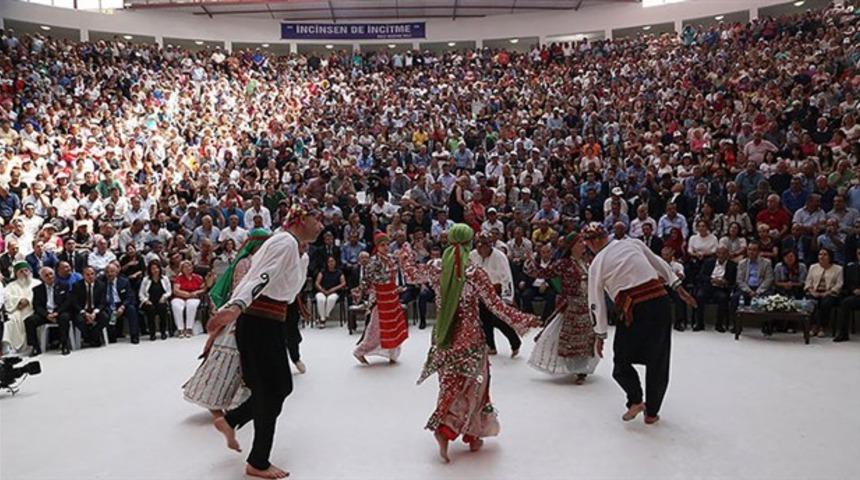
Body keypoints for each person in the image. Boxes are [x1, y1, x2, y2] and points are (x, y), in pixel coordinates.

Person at [398, 224, 540, 463]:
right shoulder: (474, 274)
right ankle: (473, 435)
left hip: (444, 338)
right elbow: (497, 308)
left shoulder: (436, 269)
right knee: (476, 387)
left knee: (450, 387)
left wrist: (405, 249)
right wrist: (525, 319)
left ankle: (445, 431)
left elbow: (411, 274)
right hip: (471, 340)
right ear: (469, 245)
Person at [203, 201, 322, 479]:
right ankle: (257, 459)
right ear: (300, 219)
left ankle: (231, 420)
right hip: (259, 321)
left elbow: (286, 290)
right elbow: (260, 276)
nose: (321, 225)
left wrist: (237, 307)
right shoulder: (285, 242)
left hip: (265, 322)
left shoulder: (291, 246)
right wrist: (236, 306)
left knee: (275, 389)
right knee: (274, 390)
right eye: (317, 219)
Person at [584, 223, 696, 425]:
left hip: (635, 308)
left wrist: (599, 335)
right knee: (655, 360)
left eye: (589, 243)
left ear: (595, 241)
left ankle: (640, 403)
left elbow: (595, 302)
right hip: (657, 303)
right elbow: (659, 263)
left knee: (624, 361)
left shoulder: (598, 263)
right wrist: (677, 286)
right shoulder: (633, 243)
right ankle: (645, 407)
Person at [184, 228, 271, 415]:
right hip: (241, 313)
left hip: (255, 314)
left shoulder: (260, 262)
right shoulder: (244, 263)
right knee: (232, 355)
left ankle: (241, 399)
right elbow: (241, 290)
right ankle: (215, 398)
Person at [524, 231, 598, 383]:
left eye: (583, 242)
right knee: (573, 339)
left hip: (586, 306)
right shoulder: (563, 264)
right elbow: (542, 273)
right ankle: (576, 369)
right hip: (571, 306)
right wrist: (531, 262)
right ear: (571, 246)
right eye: (579, 242)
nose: (583, 245)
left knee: (586, 339)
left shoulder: (586, 261)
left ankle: (582, 370)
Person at [352, 232, 409, 364]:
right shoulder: (372, 262)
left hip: (392, 297)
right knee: (375, 328)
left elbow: (399, 276)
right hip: (379, 298)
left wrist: (398, 286)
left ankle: (392, 355)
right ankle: (360, 351)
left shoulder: (392, 259)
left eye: (387, 244)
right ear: (377, 246)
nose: (386, 247)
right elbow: (367, 280)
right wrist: (359, 290)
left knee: (393, 327)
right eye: (382, 245)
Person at [469, 233, 519, 356]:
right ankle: (490, 345)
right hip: (480, 291)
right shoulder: (472, 255)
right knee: (484, 320)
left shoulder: (500, 257)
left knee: (498, 320)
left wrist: (507, 298)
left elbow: (506, 278)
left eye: (484, 246)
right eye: (479, 247)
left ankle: (515, 342)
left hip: (497, 291)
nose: (481, 250)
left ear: (489, 246)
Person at [24, 266, 72, 356]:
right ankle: (35, 347)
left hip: (59, 312)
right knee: (29, 321)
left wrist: (57, 313)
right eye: (46, 275)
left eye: (51, 274)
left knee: (65, 318)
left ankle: (64, 345)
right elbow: (37, 306)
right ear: (42, 278)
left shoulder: (63, 286)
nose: (50, 277)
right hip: (45, 314)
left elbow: (67, 302)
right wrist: (47, 315)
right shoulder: (37, 289)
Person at [693, 245, 737, 332]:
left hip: (721, 288)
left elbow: (733, 281)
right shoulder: (709, 262)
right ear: (716, 254)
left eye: (724, 254)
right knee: (699, 296)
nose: (721, 256)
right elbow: (700, 276)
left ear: (727, 255)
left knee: (723, 298)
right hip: (708, 286)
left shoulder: (732, 265)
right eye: (719, 253)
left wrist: (725, 282)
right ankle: (699, 323)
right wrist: (712, 280)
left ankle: (719, 324)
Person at [804, 249, 843, 338]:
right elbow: (808, 282)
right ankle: (813, 326)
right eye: (820, 254)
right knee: (811, 302)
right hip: (815, 291)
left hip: (830, 293)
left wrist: (828, 292)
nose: (822, 256)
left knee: (826, 303)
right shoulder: (813, 267)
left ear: (830, 257)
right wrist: (812, 291)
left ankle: (822, 327)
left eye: (825, 254)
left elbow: (839, 284)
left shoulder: (838, 269)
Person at [2, 262, 39, 353]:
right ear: (16, 274)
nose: (24, 273)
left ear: (29, 271)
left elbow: (40, 296)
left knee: (29, 319)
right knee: (10, 321)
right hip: (17, 310)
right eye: (21, 271)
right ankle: (11, 347)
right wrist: (18, 301)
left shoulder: (37, 283)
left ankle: (31, 346)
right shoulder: (11, 286)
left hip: (32, 309)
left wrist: (28, 301)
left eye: (26, 270)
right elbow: (6, 297)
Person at [101, 262, 141, 344]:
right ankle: (112, 335)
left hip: (122, 304)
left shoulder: (124, 281)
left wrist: (122, 307)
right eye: (107, 272)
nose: (109, 274)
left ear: (116, 272)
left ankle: (134, 336)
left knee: (132, 309)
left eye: (112, 271)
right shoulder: (101, 282)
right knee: (108, 313)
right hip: (108, 305)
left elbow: (129, 296)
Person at [72, 266, 108, 347]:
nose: (90, 276)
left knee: (105, 317)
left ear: (95, 275)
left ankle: (92, 336)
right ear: (83, 275)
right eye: (87, 274)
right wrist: (84, 313)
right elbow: (74, 302)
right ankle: (92, 338)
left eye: (92, 274)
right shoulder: (76, 286)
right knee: (79, 320)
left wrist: (95, 312)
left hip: (96, 310)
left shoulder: (101, 285)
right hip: (82, 310)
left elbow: (103, 302)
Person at [171, 260, 206, 338]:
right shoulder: (179, 278)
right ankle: (180, 329)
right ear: (182, 269)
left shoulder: (198, 277)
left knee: (191, 305)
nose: (188, 268)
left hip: (194, 297)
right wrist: (187, 295)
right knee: (176, 306)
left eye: (189, 266)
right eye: (185, 267)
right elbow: (176, 290)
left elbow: (203, 289)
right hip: (180, 297)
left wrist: (196, 292)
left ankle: (189, 328)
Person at [139, 260, 172, 341]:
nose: (155, 270)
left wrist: (164, 297)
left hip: (161, 300)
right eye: (153, 268)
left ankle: (163, 332)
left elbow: (169, 291)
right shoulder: (145, 280)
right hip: (149, 301)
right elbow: (141, 294)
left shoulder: (165, 279)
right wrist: (146, 300)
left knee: (162, 308)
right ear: (150, 270)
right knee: (150, 310)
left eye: (157, 268)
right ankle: (152, 333)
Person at [834, 248, 860, 342]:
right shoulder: (852, 267)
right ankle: (843, 334)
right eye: (859, 253)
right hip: (856, 296)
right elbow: (848, 282)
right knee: (845, 302)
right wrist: (854, 289)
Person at [314, 256, 346, 328]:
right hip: (323, 291)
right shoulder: (322, 272)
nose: (331, 263)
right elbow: (317, 283)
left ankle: (324, 317)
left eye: (332, 261)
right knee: (321, 299)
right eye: (329, 261)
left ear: (335, 262)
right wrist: (322, 290)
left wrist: (333, 289)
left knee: (331, 299)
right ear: (327, 263)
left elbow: (343, 283)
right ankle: (323, 318)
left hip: (334, 292)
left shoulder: (339, 272)